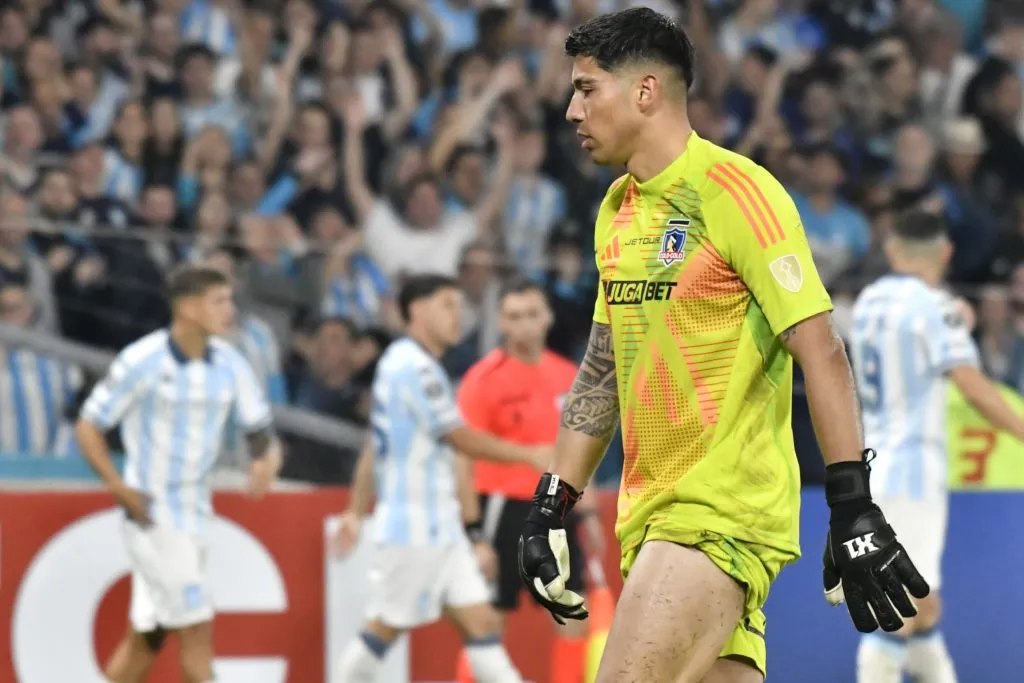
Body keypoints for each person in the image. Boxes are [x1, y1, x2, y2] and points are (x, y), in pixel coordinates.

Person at [515, 9, 929, 683]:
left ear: (645, 92)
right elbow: (603, 363)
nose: (570, 110)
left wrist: (852, 502)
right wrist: (553, 499)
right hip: (654, 517)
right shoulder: (616, 209)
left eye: (587, 89)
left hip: (716, 518)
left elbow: (819, 347)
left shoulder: (736, 191)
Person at [331, 274, 551, 683]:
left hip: (441, 526)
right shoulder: (411, 366)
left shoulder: (410, 365)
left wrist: (354, 510)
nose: (458, 315)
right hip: (413, 528)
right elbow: (457, 437)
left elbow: (371, 448)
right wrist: (529, 454)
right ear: (417, 309)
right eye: (447, 304)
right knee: (384, 627)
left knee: (482, 624)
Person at [75, 264, 283, 683]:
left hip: (196, 514)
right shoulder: (142, 360)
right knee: (196, 631)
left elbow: (263, 434)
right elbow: (89, 425)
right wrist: (118, 487)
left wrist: (266, 463)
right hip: (152, 515)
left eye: (230, 300)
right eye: (219, 301)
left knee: (147, 639)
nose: (230, 310)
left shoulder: (231, 363)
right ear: (188, 307)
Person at [849, 210, 1024, 683]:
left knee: (925, 605)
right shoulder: (935, 307)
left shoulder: (867, 302)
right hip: (913, 472)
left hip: (873, 466)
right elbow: (970, 384)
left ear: (891, 250)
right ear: (945, 254)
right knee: (901, 608)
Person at [454, 277, 606, 683]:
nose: (523, 324)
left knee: (572, 617)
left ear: (547, 318)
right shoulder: (483, 380)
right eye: (513, 316)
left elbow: (580, 449)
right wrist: (474, 534)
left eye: (531, 314)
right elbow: (463, 459)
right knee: (488, 622)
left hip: (558, 508)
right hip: (502, 508)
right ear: (501, 323)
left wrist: (587, 513)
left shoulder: (566, 375)